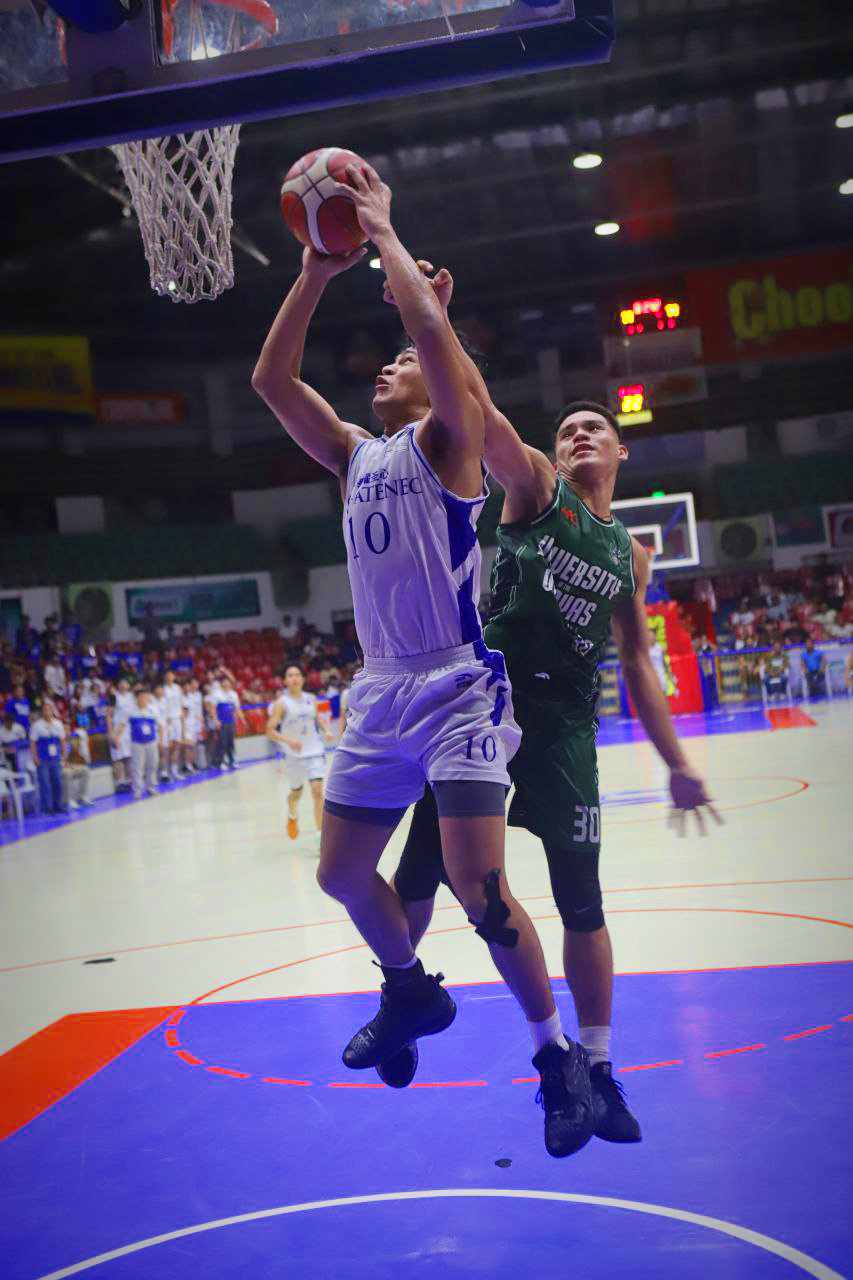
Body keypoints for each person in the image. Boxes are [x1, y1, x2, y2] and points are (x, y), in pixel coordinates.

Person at [252, 163, 594, 1159]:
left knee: (476, 882)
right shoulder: (356, 452)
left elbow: (448, 361)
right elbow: (270, 384)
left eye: (399, 360)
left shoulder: (448, 443)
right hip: (380, 688)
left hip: (455, 683)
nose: (383, 369)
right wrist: (316, 271)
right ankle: (408, 988)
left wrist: (390, 241)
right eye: (389, 360)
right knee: (339, 874)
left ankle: (553, 1057)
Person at [380, 260, 718, 1141]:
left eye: (592, 428)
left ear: (620, 450)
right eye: (566, 426)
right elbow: (480, 411)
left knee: (583, 904)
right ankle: (404, 994)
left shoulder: (629, 556)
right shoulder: (532, 488)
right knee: (419, 880)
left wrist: (678, 763)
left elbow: (639, 663)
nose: (575, 435)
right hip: (483, 717)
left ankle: (597, 1070)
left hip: (564, 731)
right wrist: (440, 321)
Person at [267, 664, 333, 842]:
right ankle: (292, 814)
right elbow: (269, 730)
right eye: (290, 675)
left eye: (297, 675)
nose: (294, 678)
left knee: (317, 791)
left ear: (303, 679)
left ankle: (321, 836)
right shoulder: (281, 703)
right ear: (285, 681)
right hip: (294, 755)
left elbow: (318, 719)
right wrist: (289, 741)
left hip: (314, 750)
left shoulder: (311, 699)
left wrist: (326, 730)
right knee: (296, 793)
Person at [30, 699, 67, 815]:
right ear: (42, 712)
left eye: (49, 709)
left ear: (52, 711)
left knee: (58, 782)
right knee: (45, 783)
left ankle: (58, 806)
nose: (47, 712)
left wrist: (64, 755)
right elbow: (32, 743)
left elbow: (62, 741)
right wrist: (35, 757)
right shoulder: (36, 725)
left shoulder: (58, 724)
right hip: (42, 759)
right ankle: (47, 808)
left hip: (55, 758)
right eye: (45, 710)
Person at [129, 687, 164, 799]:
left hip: (151, 742)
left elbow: (161, 726)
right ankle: (138, 791)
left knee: (153, 765)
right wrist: (116, 737)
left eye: (146, 696)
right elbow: (122, 725)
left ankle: (151, 788)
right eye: (142, 696)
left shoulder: (153, 710)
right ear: (137, 698)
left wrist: (160, 740)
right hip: (137, 743)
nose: (144, 699)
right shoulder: (131, 711)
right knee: (137, 767)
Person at [108, 677, 134, 793]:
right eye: (121, 682)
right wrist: (110, 733)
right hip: (117, 730)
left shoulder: (132, 697)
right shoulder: (114, 697)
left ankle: (130, 781)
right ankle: (120, 782)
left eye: (126, 682)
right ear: (118, 685)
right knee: (118, 757)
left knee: (129, 756)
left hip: (129, 729)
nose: (124, 685)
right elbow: (108, 715)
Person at [213, 676, 245, 770]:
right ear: (221, 683)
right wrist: (216, 720)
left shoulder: (234, 694)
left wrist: (242, 719)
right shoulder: (217, 694)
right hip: (222, 721)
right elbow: (213, 708)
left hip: (231, 721)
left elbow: (237, 708)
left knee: (231, 742)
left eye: (228, 682)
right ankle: (221, 762)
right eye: (225, 682)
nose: (227, 684)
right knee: (223, 742)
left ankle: (232, 761)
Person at [162, 669, 185, 780]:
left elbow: (181, 705)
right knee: (168, 747)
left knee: (177, 745)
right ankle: (165, 772)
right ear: (165, 677)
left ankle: (175, 771)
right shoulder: (163, 689)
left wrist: (182, 720)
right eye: (168, 675)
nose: (170, 676)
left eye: (172, 674)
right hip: (168, 721)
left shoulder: (178, 688)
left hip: (178, 720)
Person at [63, 725, 93, 810]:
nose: (68, 733)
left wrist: (71, 764)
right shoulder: (58, 742)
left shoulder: (70, 742)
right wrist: (65, 765)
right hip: (60, 768)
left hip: (70, 766)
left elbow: (72, 758)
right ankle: (69, 801)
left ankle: (82, 797)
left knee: (85, 770)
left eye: (69, 731)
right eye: (65, 730)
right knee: (67, 773)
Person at [182, 676, 204, 773]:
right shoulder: (184, 697)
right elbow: (184, 712)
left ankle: (192, 763)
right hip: (187, 724)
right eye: (192, 683)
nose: (195, 685)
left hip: (196, 724)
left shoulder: (197, 695)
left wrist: (200, 719)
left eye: (196, 683)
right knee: (188, 746)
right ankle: (187, 765)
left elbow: (197, 710)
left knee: (194, 745)